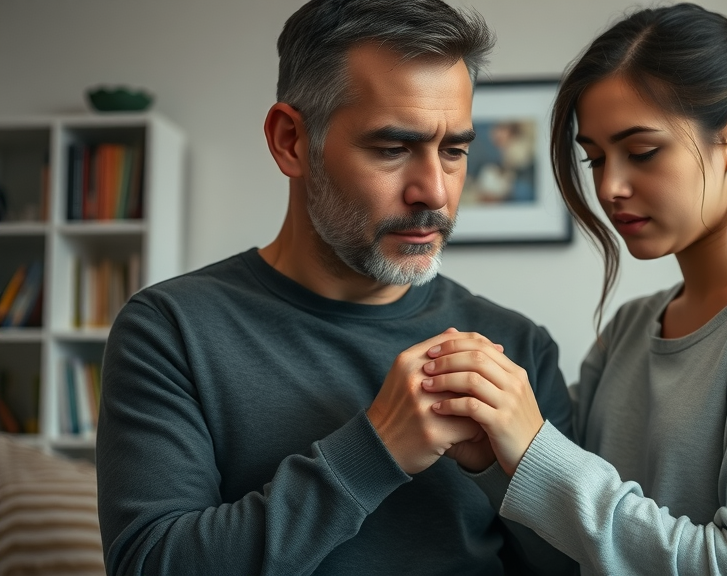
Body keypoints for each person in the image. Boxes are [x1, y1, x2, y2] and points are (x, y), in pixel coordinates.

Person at [94, 1, 576, 574]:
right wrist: (375, 452)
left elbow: (577, 567)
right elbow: (150, 564)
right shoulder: (170, 330)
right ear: (291, 141)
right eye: (393, 148)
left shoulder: (518, 346)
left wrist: (508, 472)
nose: (436, 193)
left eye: (453, 151)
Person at [424, 3, 727, 574]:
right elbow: (580, 553)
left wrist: (535, 451)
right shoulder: (628, 331)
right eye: (594, 159)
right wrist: (495, 464)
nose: (611, 186)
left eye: (642, 152)